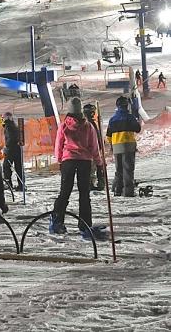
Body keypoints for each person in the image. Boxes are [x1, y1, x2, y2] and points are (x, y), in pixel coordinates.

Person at [50, 97, 105, 240]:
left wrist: (60, 160)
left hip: (68, 160)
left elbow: (59, 144)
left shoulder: (64, 126)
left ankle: (57, 221)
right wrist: (99, 163)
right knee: (84, 193)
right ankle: (85, 225)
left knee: (65, 191)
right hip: (84, 161)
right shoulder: (88, 126)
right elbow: (94, 147)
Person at [106, 96, 141, 197]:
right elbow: (137, 129)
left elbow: (108, 136)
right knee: (128, 169)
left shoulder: (112, 119)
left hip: (116, 146)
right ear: (127, 106)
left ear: (117, 106)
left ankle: (117, 190)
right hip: (129, 146)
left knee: (119, 169)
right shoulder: (130, 117)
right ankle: (128, 192)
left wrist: (113, 144)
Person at [83, 104, 105, 191]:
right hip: (91, 150)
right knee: (93, 167)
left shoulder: (89, 123)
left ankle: (95, 183)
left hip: (91, 150)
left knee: (96, 167)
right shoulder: (88, 124)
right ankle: (90, 184)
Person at [1, 112, 24, 191]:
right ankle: (21, 185)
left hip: (11, 149)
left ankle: (8, 184)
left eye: (3, 117)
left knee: (6, 166)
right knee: (18, 167)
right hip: (17, 149)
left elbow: (10, 138)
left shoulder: (8, 126)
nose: (2, 119)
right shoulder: (13, 125)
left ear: (7, 117)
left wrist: (6, 148)